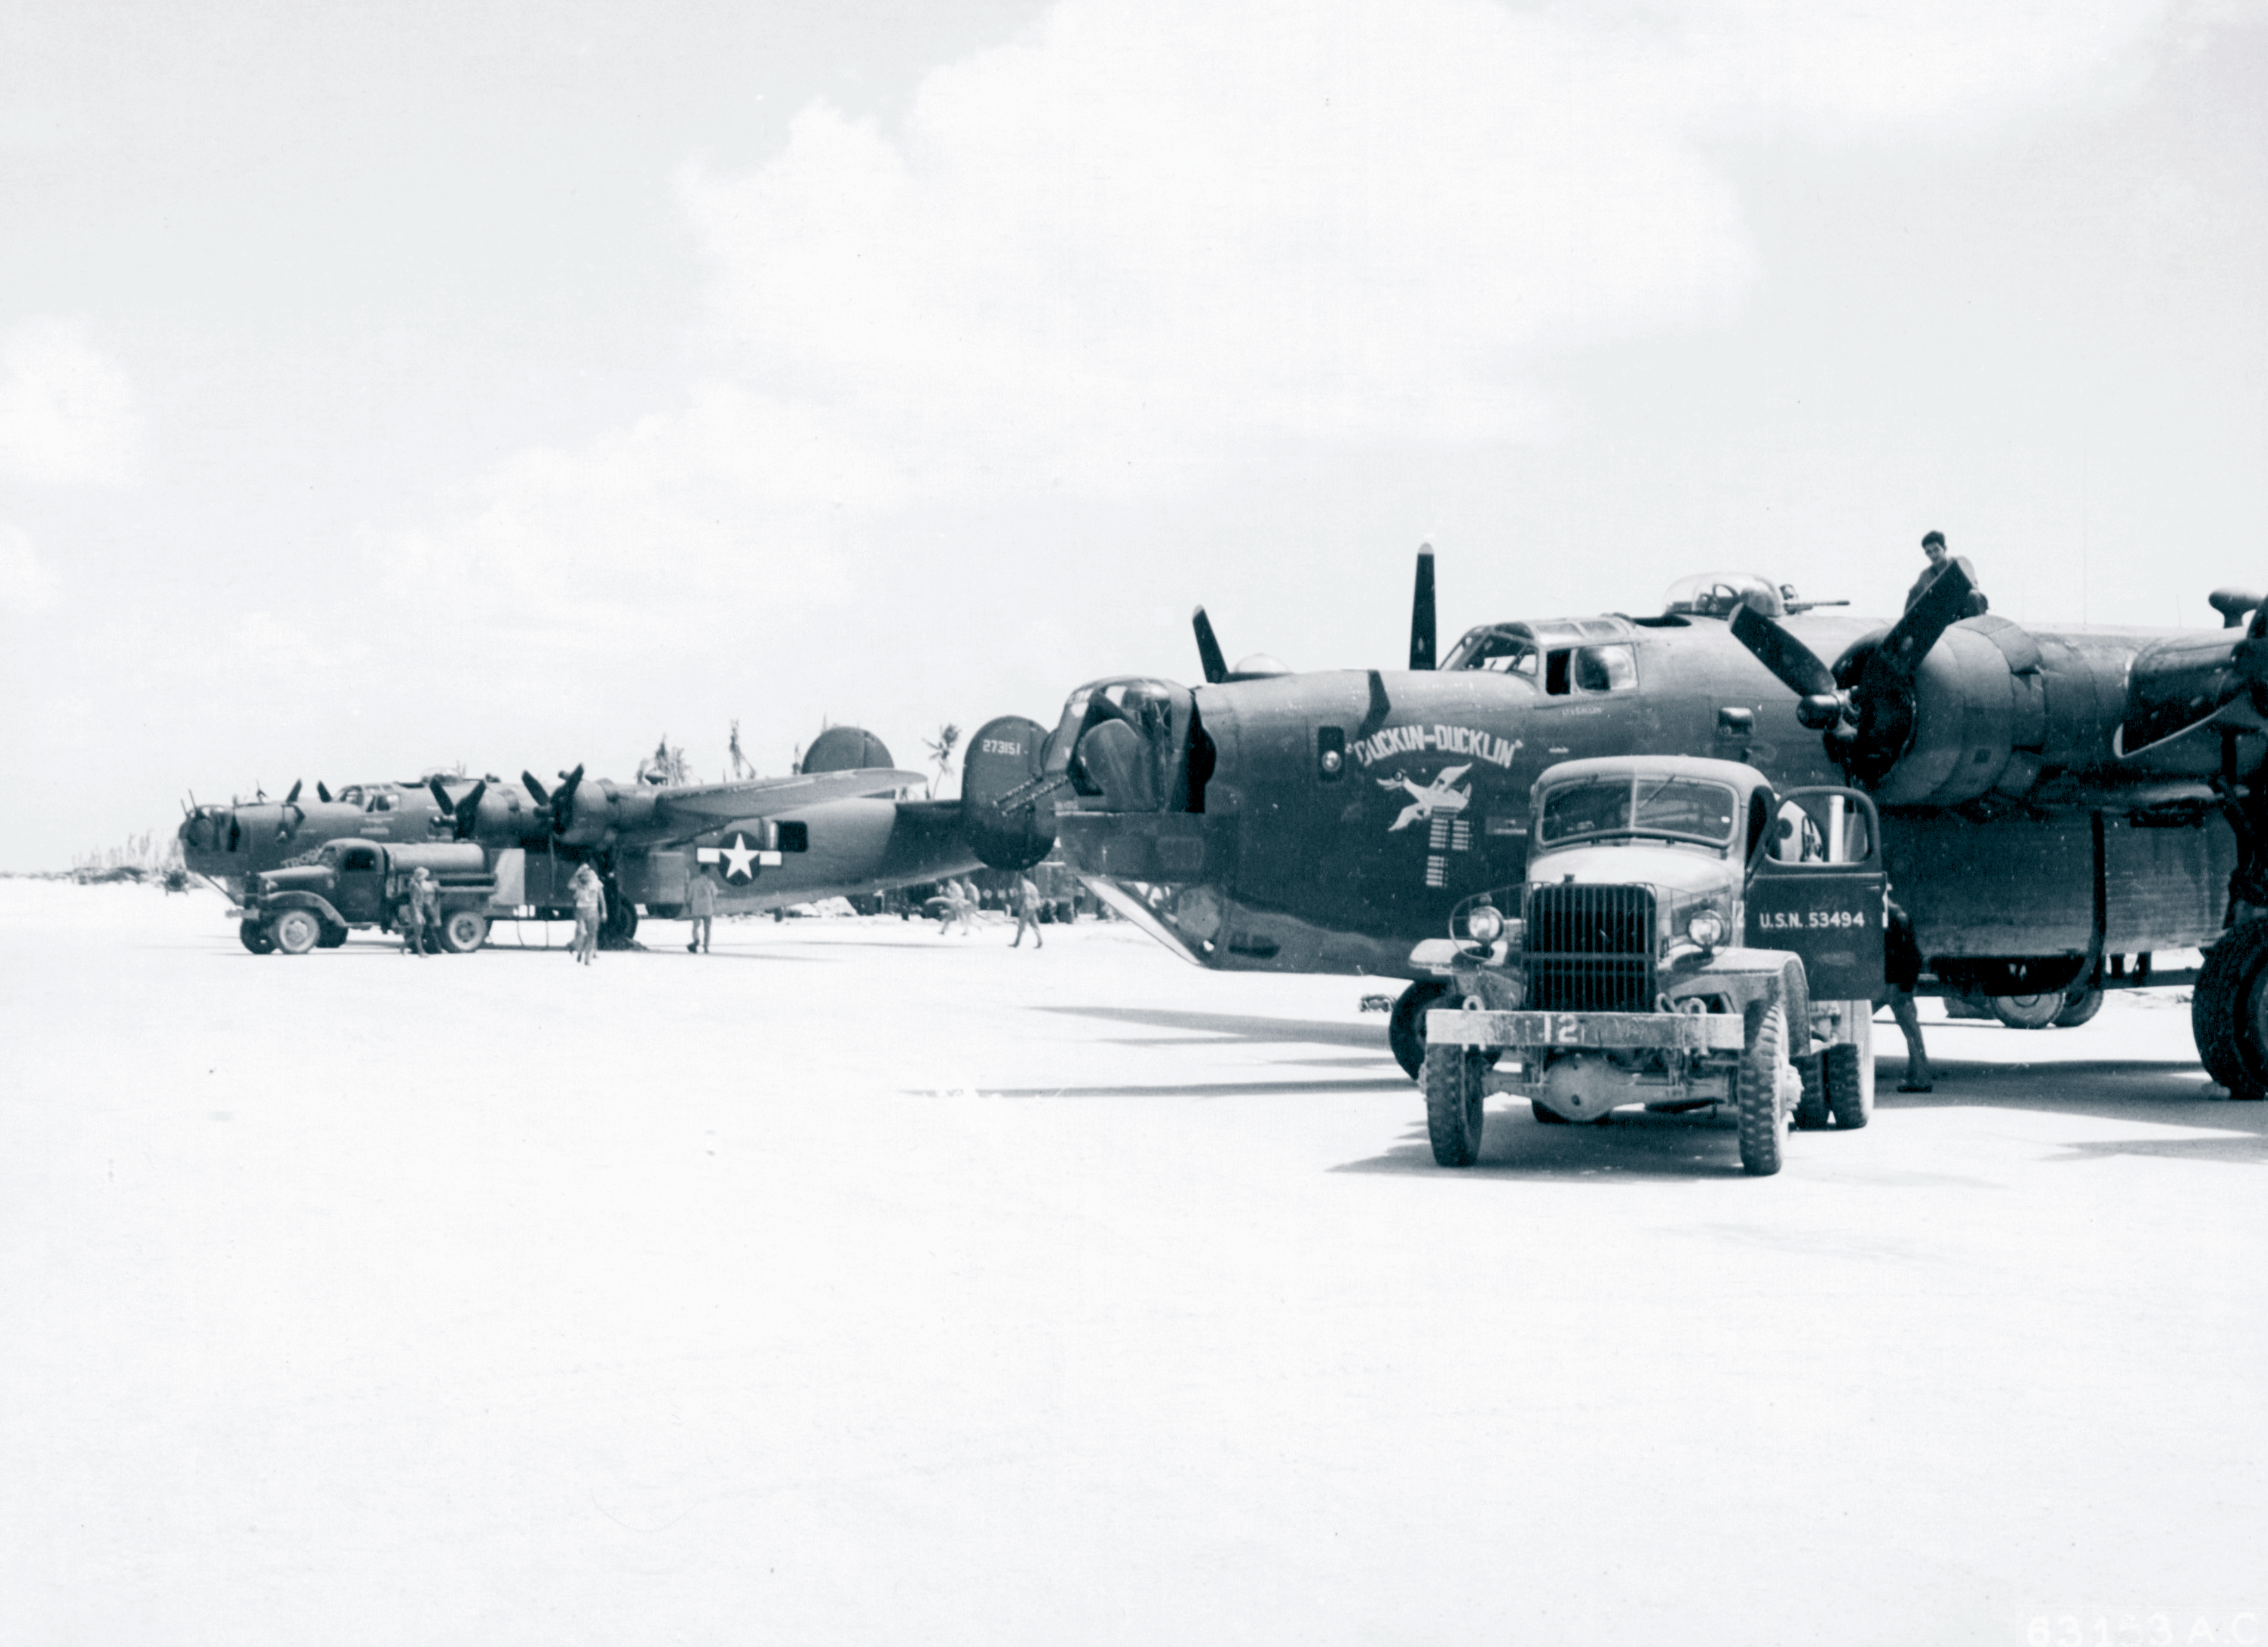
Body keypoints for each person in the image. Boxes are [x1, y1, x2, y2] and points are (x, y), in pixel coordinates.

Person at [1883, 897, 1933, 1091]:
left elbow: (1908, 955)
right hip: (1902, 984)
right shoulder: (1898, 915)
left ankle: (1921, 1078)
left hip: (1900, 984)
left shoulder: (1895, 918)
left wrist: (1904, 987)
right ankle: (1915, 1076)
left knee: (1912, 1033)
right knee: (1912, 1033)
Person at [1906, 530, 1988, 617]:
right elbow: (1913, 597)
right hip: (1943, 616)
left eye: (1936, 549)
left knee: (1974, 596)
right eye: (1929, 552)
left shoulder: (1959, 565)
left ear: (1945, 549)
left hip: (1964, 611)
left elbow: (1975, 589)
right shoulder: (1925, 575)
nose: (1933, 555)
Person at [569, 861, 606, 965]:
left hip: (593, 910)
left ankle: (587, 959)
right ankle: (579, 950)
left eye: (588, 874)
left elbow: (602, 899)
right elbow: (570, 886)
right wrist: (577, 873)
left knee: (592, 935)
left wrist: (604, 912)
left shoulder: (596, 883)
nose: (586, 876)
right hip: (581, 911)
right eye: (584, 874)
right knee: (583, 933)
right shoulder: (578, 883)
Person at [402, 866, 440, 956]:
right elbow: (413, 900)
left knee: (419, 932)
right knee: (418, 932)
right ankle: (420, 952)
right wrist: (418, 914)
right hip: (417, 911)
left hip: (419, 910)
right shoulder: (415, 886)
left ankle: (405, 947)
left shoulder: (418, 885)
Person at [686, 872, 718, 953]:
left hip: (697, 908)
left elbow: (690, 896)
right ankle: (706, 947)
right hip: (708, 908)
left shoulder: (694, 882)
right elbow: (715, 894)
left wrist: (689, 904)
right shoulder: (711, 882)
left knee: (695, 927)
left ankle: (696, 940)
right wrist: (712, 903)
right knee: (707, 929)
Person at [1011, 875, 1044, 949]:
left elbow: (1026, 893)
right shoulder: (1033, 886)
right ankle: (1040, 941)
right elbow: (1037, 896)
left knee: (1021, 925)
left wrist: (1021, 904)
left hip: (1027, 907)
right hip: (1033, 907)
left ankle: (1017, 942)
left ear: (1023, 878)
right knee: (1035, 925)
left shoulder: (1025, 885)